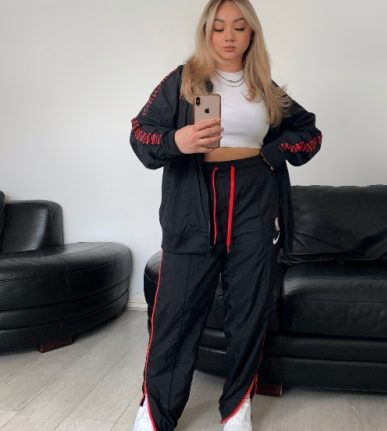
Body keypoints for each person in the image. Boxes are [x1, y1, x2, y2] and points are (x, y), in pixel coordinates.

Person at [129, 1, 322, 430]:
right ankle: (155, 412)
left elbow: (310, 133)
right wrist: (177, 140)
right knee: (176, 313)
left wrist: (274, 152)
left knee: (248, 309)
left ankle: (236, 408)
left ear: (252, 33)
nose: (229, 36)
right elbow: (140, 134)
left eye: (239, 27)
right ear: (206, 32)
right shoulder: (183, 80)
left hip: (254, 198)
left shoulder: (264, 87)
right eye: (218, 27)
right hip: (193, 200)